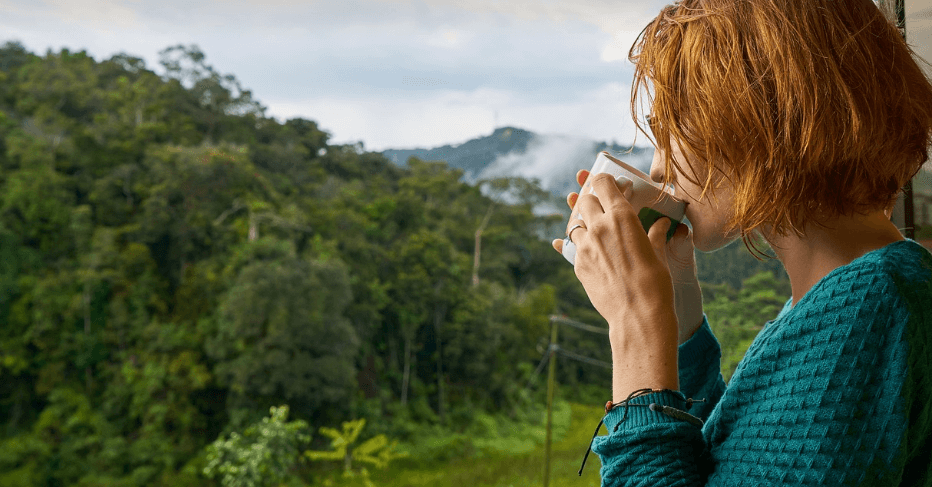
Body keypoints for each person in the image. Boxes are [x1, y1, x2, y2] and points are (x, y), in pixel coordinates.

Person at [552, 0, 932, 485]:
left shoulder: (868, 305)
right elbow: (734, 461)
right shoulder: (852, 294)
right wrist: (678, 318)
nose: (658, 170)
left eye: (673, 133)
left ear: (760, 119)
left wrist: (635, 329)